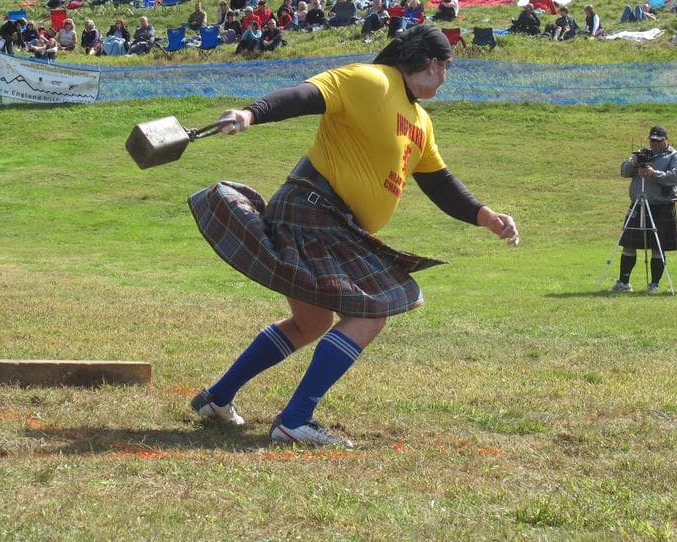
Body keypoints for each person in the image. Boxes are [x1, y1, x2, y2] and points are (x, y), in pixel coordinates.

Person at [187, 25, 519, 447]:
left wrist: (484, 216)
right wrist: (252, 112)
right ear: (435, 63)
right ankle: (296, 419)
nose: (447, 76)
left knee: (312, 322)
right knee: (371, 311)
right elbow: (307, 95)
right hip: (313, 208)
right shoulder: (371, 79)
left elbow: (439, 183)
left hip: (328, 218)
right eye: (448, 66)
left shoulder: (420, 120)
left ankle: (216, 399)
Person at [611, 126, 677, 293]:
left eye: (659, 141)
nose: (655, 144)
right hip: (639, 204)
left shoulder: (675, 156)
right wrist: (634, 162)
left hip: (662, 205)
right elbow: (624, 171)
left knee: (658, 246)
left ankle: (654, 285)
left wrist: (654, 173)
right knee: (629, 243)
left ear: (666, 140)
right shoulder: (641, 153)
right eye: (652, 140)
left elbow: (674, 176)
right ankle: (623, 282)